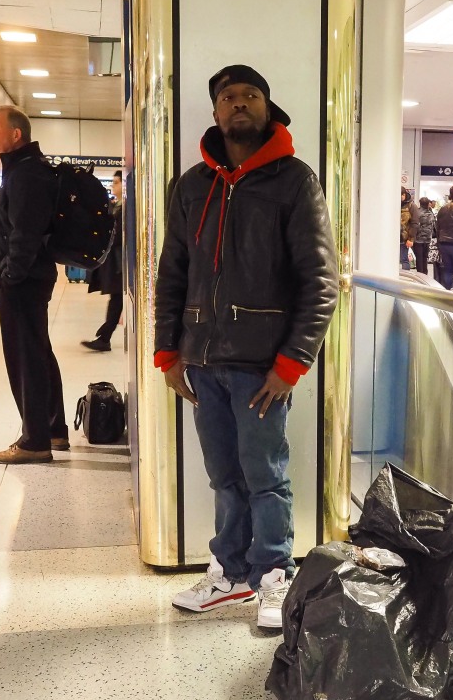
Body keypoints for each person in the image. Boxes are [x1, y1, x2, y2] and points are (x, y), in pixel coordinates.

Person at [154, 64, 338, 629]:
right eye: (228, 97)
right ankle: (230, 574)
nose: (239, 104)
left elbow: (320, 281)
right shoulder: (190, 187)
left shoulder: (295, 181)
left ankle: (273, 578)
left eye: (250, 95)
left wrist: (292, 363)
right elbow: (172, 273)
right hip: (202, 362)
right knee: (223, 475)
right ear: (214, 111)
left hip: (263, 368)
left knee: (266, 476)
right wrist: (168, 352)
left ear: (267, 106)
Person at [0, 105, 69, 465]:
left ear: (16, 134)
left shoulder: (25, 174)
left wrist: (10, 274)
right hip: (27, 279)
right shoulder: (23, 170)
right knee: (37, 353)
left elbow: (25, 232)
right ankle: (53, 429)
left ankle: (35, 440)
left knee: (26, 359)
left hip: (23, 282)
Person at [81, 170, 123, 351]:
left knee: (117, 299)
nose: (113, 186)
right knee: (116, 298)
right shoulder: (118, 206)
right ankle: (104, 336)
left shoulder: (125, 207)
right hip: (117, 261)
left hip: (121, 262)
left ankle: (104, 337)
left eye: (116, 182)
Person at [414, 196, 435, 275]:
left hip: (418, 239)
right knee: (425, 258)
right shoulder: (431, 213)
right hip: (427, 239)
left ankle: (420, 275)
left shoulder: (417, 213)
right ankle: (425, 274)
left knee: (419, 259)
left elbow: (415, 226)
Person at [400, 187, 418, 270]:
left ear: (403, 195)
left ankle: (405, 280)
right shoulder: (393, 204)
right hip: (392, 237)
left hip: (404, 238)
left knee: (404, 259)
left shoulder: (412, 206)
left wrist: (411, 239)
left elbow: (414, 223)